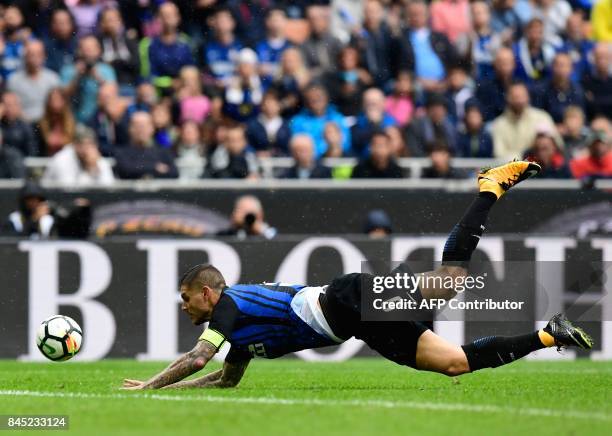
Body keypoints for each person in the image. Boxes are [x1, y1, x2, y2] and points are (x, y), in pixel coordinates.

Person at [122, 160, 594, 391]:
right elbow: (223, 381)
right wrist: (169, 396)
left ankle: (490, 187)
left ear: (207, 292)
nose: (184, 306)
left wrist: (148, 387)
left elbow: (198, 360)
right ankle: (550, 336)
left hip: (351, 298)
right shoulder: (239, 335)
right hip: (356, 321)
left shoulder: (227, 305)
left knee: (451, 281)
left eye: (186, 298)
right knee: (456, 364)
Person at [491, 81, 558, 159]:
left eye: (522, 96)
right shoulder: (499, 124)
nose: (519, 101)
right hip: (512, 169)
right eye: (515, 97)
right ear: (508, 98)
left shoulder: (542, 117)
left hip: (541, 168)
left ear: (528, 97)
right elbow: (499, 155)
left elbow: (556, 147)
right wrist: (525, 157)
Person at [139, 2, 194, 95]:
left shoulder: (185, 42)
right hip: (158, 90)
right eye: (164, 15)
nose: (168, 18)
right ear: (158, 19)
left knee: (190, 75)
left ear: (178, 18)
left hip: (183, 89)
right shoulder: (147, 44)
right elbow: (147, 75)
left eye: (172, 15)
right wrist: (170, 83)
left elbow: (192, 70)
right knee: (146, 89)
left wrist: (181, 83)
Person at [61, 35, 117, 124]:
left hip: (98, 121)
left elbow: (112, 95)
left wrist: (98, 78)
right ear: (79, 51)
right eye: (85, 49)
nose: (88, 52)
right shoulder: (68, 70)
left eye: (92, 49)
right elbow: (62, 97)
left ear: (99, 50)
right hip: (73, 120)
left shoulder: (106, 70)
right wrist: (77, 76)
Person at [290, 84, 351, 159]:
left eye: (319, 97)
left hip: (336, 159)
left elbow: (346, 143)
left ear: (326, 98)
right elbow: (298, 145)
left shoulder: (337, 118)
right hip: (311, 162)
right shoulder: (298, 121)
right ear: (307, 101)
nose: (316, 100)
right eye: (312, 99)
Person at [42, 125, 115, 186]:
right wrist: (88, 170)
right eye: (82, 144)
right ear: (74, 144)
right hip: (54, 199)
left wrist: (94, 168)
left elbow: (109, 187)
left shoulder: (98, 160)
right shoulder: (62, 159)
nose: (86, 148)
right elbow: (69, 191)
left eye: (90, 144)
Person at [7, 40, 60, 123]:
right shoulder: (13, 80)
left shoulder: (53, 78)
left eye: (39, 54)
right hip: (23, 124)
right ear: (25, 57)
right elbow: (11, 107)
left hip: (48, 124)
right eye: (31, 55)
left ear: (44, 56)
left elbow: (57, 105)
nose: (35, 58)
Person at [114, 111, 178, 179]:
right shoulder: (121, 151)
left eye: (145, 126)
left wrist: (139, 168)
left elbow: (174, 172)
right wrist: (154, 167)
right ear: (130, 128)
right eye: (138, 126)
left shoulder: (163, 151)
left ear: (152, 128)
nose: (141, 130)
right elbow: (125, 170)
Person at [98, 6, 140, 95]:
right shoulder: (99, 42)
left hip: (126, 83)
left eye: (115, 20)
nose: (113, 24)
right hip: (104, 85)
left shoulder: (129, 40)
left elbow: (136, 65)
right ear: (102, 24)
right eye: (109, 20)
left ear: (120, 21)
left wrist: (115, 62)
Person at [37, 87, 76, 156]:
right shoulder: (41, 124)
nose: (55, 103)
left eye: (58, 99)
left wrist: (61, 141)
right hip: (46, 158)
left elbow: (72, 142)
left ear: (64, 101)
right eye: (52, 100)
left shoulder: (71, 122)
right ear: (48, 102)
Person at [0, 92, 37, 157]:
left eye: (13, 105)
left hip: (19, 163)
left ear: (18, 106)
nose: (9, 109)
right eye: (6, 105)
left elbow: (32, 152)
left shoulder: (25, 126)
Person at [581, 43, 612, 120]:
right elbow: (586, 106)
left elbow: (593, 102)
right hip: (593, 123)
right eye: (599, 57)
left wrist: (594, 100)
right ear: (593, 59)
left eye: (605, 57)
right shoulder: (586, 80)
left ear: (610, 58)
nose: (602, 61)